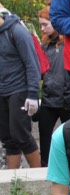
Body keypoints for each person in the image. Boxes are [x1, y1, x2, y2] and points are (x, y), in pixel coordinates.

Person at [0, 9, 41, 169]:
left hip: (19, 89)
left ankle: (39, 175)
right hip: (2, 91)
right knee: (7, 138)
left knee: (21, 134)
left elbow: (32, 63)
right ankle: (12, 182)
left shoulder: (17, 31)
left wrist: (32, 93)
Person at [38, 6, 70, 167]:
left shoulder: (69, 43)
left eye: (45, 24)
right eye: (41, 25)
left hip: (67, 100)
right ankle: (44, 167)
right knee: (45, 140)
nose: (42, 28)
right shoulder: (44, 45)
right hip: (48, 99)